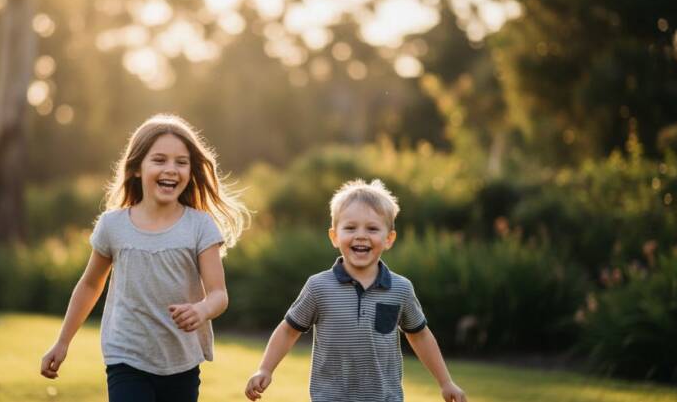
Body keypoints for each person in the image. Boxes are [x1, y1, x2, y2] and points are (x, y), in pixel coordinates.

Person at [41, 113, 249, 402]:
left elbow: (219, 294)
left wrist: (202, 310)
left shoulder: (199, 226)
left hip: (181, 361)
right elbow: (90, 285)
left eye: (181, 162)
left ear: (191, 171)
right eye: (159, 160)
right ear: (137, 168)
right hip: (126, 356)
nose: (171, 169)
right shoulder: (113, 225)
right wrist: (62, 343)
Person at [245, 179, 467, 402]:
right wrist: (265, 369)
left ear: (389, 238)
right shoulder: (318, 287)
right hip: (330, 398)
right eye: (350, 228)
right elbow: (288, 330)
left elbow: (420, 336)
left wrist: (446, 382)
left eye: (372, 228)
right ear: (334, 236)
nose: (361, 235)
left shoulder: (401, 289)